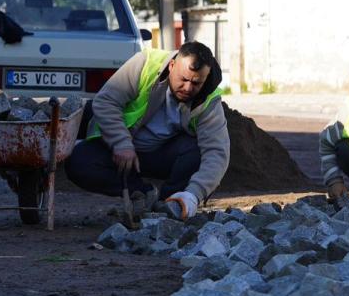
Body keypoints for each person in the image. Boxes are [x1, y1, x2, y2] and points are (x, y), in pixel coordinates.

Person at [65, 41, 229, 220]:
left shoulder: (209, 100)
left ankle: (169, 206)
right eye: (184, 79)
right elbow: (105, 102)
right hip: (120, 150)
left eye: (196, 83)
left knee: (196, 152)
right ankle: (143, 194)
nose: (188, 88)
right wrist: (121, 144)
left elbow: (217, 152)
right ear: (172, 66)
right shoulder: (146, 64)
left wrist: (193, 195)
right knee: (78, 162)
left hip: (161, 155)